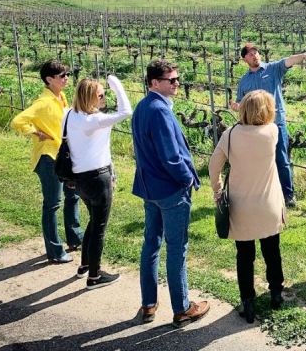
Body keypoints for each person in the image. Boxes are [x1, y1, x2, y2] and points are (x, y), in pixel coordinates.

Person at [131, 59, 210, 328]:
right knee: (177, 247)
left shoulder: (142, 107)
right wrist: (187, 179)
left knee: (151, 244)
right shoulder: (160, 111)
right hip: (170, 190)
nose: (178, 84)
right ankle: (182, 307)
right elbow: (171, 156)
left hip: (149, 187)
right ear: (155, 83)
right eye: (172, 80)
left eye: (177, 79)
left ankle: (148, 303)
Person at [211, 90, 286, 324]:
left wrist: (217, 190)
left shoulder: (230, 135)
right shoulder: (272, 132)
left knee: (244, 256)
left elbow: (214, 166)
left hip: (241, 205)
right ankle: (275, 292)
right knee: (272, 250)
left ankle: (248, 301)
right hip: (268, 204)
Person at [11, 60, 83, 264]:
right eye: (62, 76)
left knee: (73, 195)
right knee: (52, 204)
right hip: (49, 158)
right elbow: (18, 121)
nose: (66, 78)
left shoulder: (61, 97)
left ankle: (75, 237)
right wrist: (35, 132)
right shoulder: (43, 102)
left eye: (67, 74)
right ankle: (55, 250)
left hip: (65, 156)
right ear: (49, 80)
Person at [230, 43, 306, 208]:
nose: (255, 55)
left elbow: (288, 61)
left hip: (276, 124)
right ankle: (264, 193)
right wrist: (236, 106)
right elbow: (241, 104)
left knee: (281, 160)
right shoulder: (244, 81)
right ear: (244, 59)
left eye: (256, 52)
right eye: (250, 54)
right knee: (259, 162)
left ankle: (288, 195)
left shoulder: (273, 69)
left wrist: (304, 56)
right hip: (254, 129)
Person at [65, 75, 131, 289]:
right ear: (90, 98)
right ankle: (95, 275)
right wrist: (118, 86)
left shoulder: (69, 116)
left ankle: (85, 264)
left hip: (80, 179)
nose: (104, 98)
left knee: (93, 221)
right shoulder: (94, 120)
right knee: (100, 227)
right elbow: (126, 112)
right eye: (101, 95)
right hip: (98, 178)